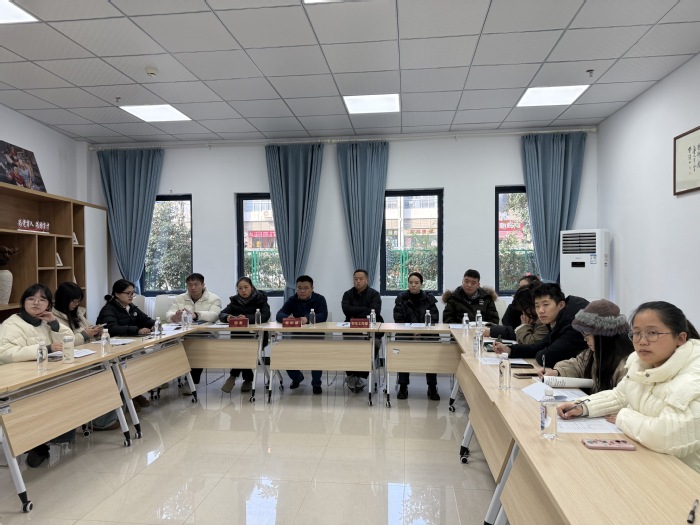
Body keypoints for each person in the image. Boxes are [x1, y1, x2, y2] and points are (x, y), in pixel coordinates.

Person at [558, 301, 700, 473]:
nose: (642, 341)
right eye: (637, 333)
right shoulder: (640, 363)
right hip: (649, 459)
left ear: (680, 338)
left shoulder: (694, 375)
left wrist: (623, 416)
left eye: (652, 333)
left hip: (685, 474)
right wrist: (582, 406)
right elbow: (621, 395)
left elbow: (666, 435)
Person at [0, 284, 75, 467]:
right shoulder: (11, 324)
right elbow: (5, 353)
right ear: (23, 302)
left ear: (48, 305)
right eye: (31, 299)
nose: (36, 303)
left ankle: (56, 437)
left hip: (43, 376)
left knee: (72, 388)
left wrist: (54, 324)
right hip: (18, 381)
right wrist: (45, 349)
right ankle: (37, 445)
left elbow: (69, 340)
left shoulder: (45, 322)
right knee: (42, 399)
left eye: (42, 300)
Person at [53, 282, 119, 431]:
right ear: (63, 300)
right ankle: (101, 420)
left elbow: (88, 329)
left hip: (87, 355)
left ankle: (113, 412)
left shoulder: (77, 314)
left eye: (78, 301)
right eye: (73, 301)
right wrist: (85, 334)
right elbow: (64, 342)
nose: (76, 304)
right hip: (71, 361)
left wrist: (96, 331)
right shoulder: (54, 318)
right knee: (104, 374)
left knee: (114, 368)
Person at [541, 299, 634, 394]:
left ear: (601, 336)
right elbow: (577, 364)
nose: (585, 339)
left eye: (587, 334)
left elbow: (620, 398)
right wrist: (557, 372)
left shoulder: (625, 366)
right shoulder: (593, 353)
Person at [493, 282, 588, 367]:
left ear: (561, 305)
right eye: (537, 306)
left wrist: (540, 353)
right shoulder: (557, 318)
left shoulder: (573, 323)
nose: (540, 311)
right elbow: (539, 346)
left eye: (546, 305)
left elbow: (546, 358)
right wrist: (509, 350)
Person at [97, 279, 155, 410]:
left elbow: (145, 319)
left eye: (132, 293)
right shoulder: (108, 309)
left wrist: (154, 324)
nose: (131, 296)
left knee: (141, 362)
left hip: (130, 344)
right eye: (128, 293)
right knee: (130, 364)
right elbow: (111, 328)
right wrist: (136, 330)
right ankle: (128, 397)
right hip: (114, 347)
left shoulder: (131, 307)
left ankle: (135, 393)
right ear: (117, 294)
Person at [165, 273, 222, 393]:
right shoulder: (180, 298)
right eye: (189, 285)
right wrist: (175, 317)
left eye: (196, 284)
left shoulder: (214, 298)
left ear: (203, 285)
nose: (193, 288)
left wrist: (196, 315)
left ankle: (192, 381)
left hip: (204, 333)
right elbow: (169, 314)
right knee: (165, 344)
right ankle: (164, 377)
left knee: (197, 346)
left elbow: (214, 315)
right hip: (182, 332)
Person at [275, 275, 328, 394]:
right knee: (284, 355)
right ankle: (297, 378)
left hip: (316, 336)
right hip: (297, 336)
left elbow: (323, 315)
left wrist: (307, 319)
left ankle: (316, 384)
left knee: (316, 357)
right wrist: (287, 318)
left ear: (312, 289)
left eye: (306, 288)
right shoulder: (292, 300)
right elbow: (279, 315)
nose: (302, 291)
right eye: (299, 288)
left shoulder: (320, 299)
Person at [392, 271, 440, 400]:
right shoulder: (401, 299)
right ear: (408, 284)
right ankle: (403, 386)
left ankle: (432, 387)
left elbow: (434, 318)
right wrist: (411, 331)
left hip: (426, 334)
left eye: (416, 283)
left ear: (421, 284)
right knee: (402, 351)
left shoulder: (429, 298)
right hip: (406, 334)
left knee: (431, 354)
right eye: (411, 282)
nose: (413, 285)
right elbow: (398, 319)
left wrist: (421, 331)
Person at [219, 277, 271, 394]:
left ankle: (233, 376)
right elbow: (221, 314)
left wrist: (247, 318)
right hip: (239, 337)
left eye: (246, 287)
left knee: (242, 349)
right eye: (240, 288)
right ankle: (248, 379)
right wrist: (228, 317)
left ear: (251, 287)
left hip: (257, 337)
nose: (243, 290)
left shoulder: (260, 299)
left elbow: (265, 315)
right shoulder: (235, 301)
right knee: (240, 348)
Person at [340, 269, 382, 392]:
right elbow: (346, 310)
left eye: (361, 279)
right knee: (349, 347)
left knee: (374, 345)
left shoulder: (374, 294)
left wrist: (355, 311)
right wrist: (365, 310)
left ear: (367, 280)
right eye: (356, 279)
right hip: (351, 329)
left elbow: (374, 311)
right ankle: (353, 377)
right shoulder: (347, 294)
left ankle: (358, 377)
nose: (358, 281)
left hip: (372, 329)